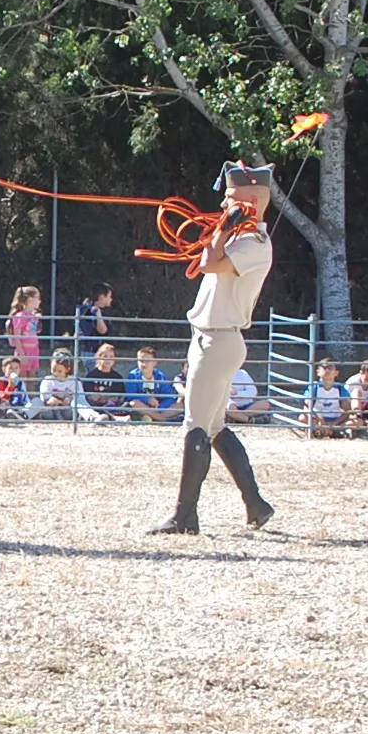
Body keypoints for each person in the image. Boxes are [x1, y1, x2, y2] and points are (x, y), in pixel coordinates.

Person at [151, 162, 276, 533]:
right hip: (209, 337)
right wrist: (225, 226)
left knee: (196, 427)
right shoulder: (241, 238)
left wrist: (223, 227)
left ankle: (184, 515)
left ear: (251, 202)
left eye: (231, 199)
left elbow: (208, 264)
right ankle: (255, 503)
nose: (223, 204)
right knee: (215, 425)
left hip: (219, 338)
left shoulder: (254, 244)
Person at [121, 345, 174, 422]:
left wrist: (159, 406)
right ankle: (162, 419)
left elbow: (169, 397)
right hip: (142, 406)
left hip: (158, 408)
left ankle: (153, 416)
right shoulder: (133, 375)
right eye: (141, 361)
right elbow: (130, 396)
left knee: (179, 405)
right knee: (134, 403)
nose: (144, 364)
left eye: (147, 361)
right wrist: (147, 399)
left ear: (155, 362)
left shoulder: (160, 376)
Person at [81, 342, 127, 420]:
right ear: (99, 357)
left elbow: (118, 396)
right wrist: (94, 397)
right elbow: (87, 393)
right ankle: (106, 416)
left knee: (125, 405)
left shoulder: (117, 377)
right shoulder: (91, 375)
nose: (108, 359)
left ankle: (107, 415)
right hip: (94, 404)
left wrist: (107, 399)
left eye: (111, 356)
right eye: (105, 356)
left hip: (110, 405)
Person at [33, 349, 79, 421]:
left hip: (67, 410)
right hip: (50, 410)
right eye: (54, 370)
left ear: (68, 369)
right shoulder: (47, 380)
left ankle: (88, 416)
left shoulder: (74, 382)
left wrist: (70, 400)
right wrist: (49, 401)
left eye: (60, 371)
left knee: (75, 407)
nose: (56, 374)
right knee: (36, 401)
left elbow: (80, 398)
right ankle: (24, 414)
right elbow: (44, 397)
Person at [5, 286, 42, 375]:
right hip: (24, 350)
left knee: (32, 380)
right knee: (23, 379)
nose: (40, 301)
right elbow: (16, 337)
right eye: (38, 298)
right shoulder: (20, 316)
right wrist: (22, 355)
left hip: (34, 350)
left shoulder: (33, 316)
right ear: (30, 299)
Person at [75, 284, 113, 370]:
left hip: (88, 350)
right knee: (95, 375)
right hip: (94, 351)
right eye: (109, 296)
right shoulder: (92, 311)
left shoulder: (85, 309)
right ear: (102, 297)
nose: (111, 299)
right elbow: (102, 330)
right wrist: (98, 314)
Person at [307, 357, 348, 437]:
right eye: (324, 368)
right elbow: (307, 406)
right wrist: (321, 420)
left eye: (331, 368)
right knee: (302, 418)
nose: (327, 370)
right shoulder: (314, 387)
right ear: (318, 371)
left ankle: (323, 430)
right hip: (317, 418)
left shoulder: (340, 388)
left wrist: (333, 423)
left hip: (335, 419)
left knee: (357, 422)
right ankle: (332, 432)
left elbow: (347, 410)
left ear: (336, 373)